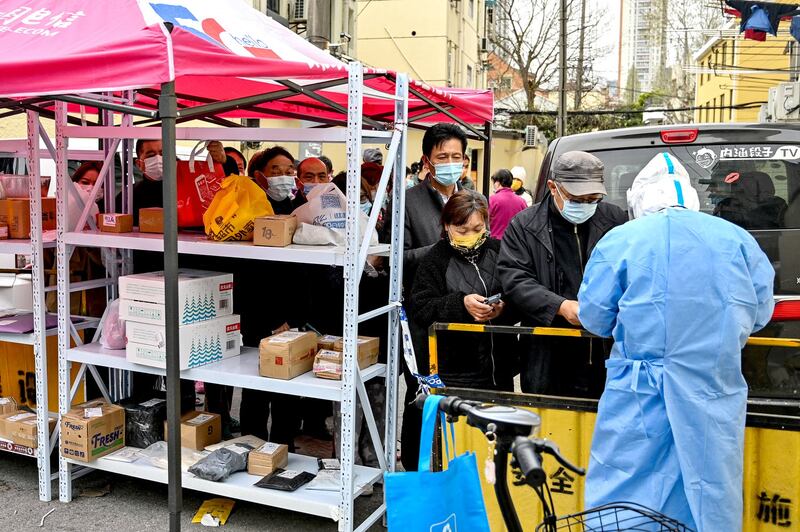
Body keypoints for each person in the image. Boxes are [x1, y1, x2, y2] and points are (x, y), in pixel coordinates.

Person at [579, 152, 774, 532]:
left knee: (626, 492)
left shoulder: (620, 240)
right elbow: (760, 312)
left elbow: (595, 317)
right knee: (708, 490)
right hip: (712, 391)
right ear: (692, 197)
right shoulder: (736, 240)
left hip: (638, 395)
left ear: (639, 201)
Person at [497, 151, 627, 397]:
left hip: (605, 348)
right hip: (547, 350)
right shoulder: (525, 225)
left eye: (593, 199)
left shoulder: (615, 220)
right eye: (577, 198)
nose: (586, 205)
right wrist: (561, 306)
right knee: (548, 425)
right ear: (553, 187)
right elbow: (514, 278)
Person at [400, 122, 467, 471]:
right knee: (422, 400)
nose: (450, 163)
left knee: (459, 401)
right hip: (422, 317)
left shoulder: (472, 199)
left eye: (456, 156)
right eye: (443, 157)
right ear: (427, 160)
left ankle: (453, 474)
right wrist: (443, 248)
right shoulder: (408, 202)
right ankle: (416, 475)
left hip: (464, 315)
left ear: (466, 162)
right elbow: (396, 258)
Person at [410, 190, 517, 390]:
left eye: (478, 229)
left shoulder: (499, 250)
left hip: (500, 366)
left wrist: (504, 307)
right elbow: (421, 307)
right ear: (446, 226)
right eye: (462, 230)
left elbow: (520, 292)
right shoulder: (435, 259)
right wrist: (461, 304)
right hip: (456, 372)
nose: (471, 236)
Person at [248, 146, 305, 215]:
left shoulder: (288, 203)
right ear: (259, 176)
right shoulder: (249, 203)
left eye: (288, 173)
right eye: (276, 173)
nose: (283, 178)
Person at [489, 168, 527, 238]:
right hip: (515, 243)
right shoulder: (522, 202)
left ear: (497, 182)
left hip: (496, 243)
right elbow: (526, 223)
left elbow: (484, 222)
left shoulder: (492, 200)